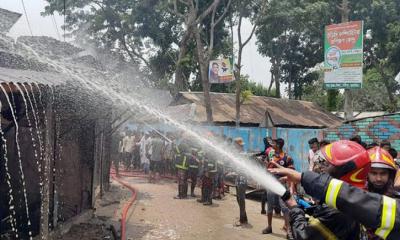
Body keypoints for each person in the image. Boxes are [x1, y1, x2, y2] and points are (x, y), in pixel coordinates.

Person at [270, 140, 372, 240]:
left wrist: (294, 208)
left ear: (343, 171)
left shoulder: (337, 209)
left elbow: (304, 235)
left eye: (328, 165)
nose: (323, 169)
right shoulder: (355, 197)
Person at [271, 166, 400, 239]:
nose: (325, 170)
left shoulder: (339, 212)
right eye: (374, 173)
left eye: (330, 166)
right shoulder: (361, 208)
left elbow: (303, 236)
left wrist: (294, 208)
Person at [365, 147, 399, 239]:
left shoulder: (397, 199)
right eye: (374, 173)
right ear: (366, 174)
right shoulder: (357, 195)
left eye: (383, 173)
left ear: (390, 174)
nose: (378, 178)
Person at [264, 138, 294, 238]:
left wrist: (284, 178)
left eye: (274, 143)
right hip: (271, 183)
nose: (272, 144)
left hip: (281, 185)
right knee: (270, 206)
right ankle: (269, 227)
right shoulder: (271, 155)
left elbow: (291, 173)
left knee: (285, 208)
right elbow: (267, 168)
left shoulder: (287, 158)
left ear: (278, 145)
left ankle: (289, 230)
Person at [233, 137, 248, 226]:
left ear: (238, 145)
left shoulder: (243, 154)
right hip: (238, 177)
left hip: (242, 178)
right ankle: (244, 217)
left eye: (235, 145)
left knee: (241, 199)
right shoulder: (239, 153)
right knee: (238, 198)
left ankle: (242, 220)